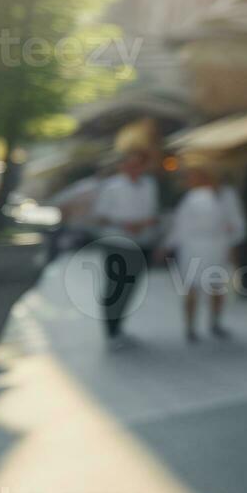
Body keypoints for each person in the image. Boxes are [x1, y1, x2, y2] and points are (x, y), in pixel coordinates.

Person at [163, 157, 243, 342]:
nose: (189, 180)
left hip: (217, 246)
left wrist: (233, 236)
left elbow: (237, 222)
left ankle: (215, 323)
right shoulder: (191, 197)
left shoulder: (227, 195)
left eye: (193, 176)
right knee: (191, 287)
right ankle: (190, 327)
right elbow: (180, 224)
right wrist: (168, 245)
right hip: (193, 247)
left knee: (216, 287)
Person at [88, 149, 160, 349]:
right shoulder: (112, 187)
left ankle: (118, 327)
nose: (133, 168)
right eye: (130, 164)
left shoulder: (149, 185)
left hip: (141, 242)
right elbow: (100, 214)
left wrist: (146, 224)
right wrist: (124, 224)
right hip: (117, 242)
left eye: (138, 164)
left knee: (130, 287)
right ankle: (110, 331)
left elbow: (153, 212)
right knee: (115, 287)